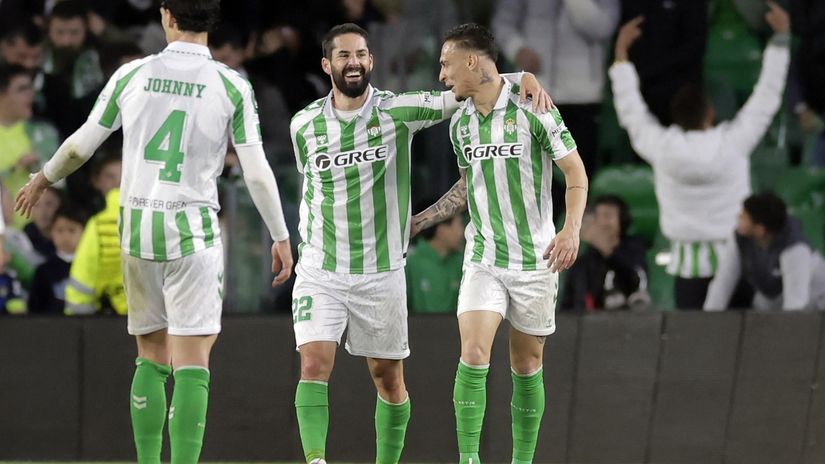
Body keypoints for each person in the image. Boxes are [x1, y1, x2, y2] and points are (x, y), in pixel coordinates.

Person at [14, 1, 294, 462]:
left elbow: (83, 143)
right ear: (212, 21)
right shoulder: (231, 85)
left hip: (138, 229)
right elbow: (257, 171)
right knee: (192, 362)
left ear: (166, 15)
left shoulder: (133, 75)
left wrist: (44, 177)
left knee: (150, 353)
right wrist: (280, 236)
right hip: (193, 232)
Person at [288, 22, 550, 464]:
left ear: (371, 61)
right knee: (313, 363)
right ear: (326, 64)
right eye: (343, 55)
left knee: (388, 381)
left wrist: (515, 77)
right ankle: (316, 461)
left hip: (381, 271)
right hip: (321, 267)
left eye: (360, 54)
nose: (353, 62)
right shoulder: (304, 125)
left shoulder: (397, 111)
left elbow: (467, 87)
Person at [411, 23, 588, 464]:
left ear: (471, 60)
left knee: (526, 366)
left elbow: (577, 175)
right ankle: (468, 458)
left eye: (446, 63)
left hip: (535, 258)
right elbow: (468, 187)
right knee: (472, 353)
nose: (442, 75)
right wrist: (422, 220)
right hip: (484, 257)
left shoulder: (533, 108)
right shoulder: (461, 125)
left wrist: (571, 230)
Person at [609, 2, 791, 309]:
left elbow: (631, 112)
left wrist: (621, 58)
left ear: (675, 117)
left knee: (695, 355)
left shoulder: (662, 147)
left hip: (687, 272)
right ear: (710, 112)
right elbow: (766, 97)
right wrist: (781, 41)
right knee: (743, 352)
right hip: (738, 266)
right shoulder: (733, 143)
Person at [705, 192, 825, 311]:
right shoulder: (740, 238)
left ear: (759, 230)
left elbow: (796, 304)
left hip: (815, 301)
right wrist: (707, 322)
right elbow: (723, 283)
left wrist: (785, 328)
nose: (738, 217)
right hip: (773, 297)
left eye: (744, 216)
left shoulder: (795, 249)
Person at [561, 194, 649, 311]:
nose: (602, 222)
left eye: (608, 216)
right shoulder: (582, 263)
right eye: (597, 217)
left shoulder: (635, 248)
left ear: (622, 220)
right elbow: (568, 305)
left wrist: (606, 248)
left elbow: (635, 281)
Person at [65, 154, 125, 316]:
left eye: (124, 174)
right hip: (158, 316)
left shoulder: (98, 224)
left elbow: (83, 277)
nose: (118, 182)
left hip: (109, 320)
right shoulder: (161, 216)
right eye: (110, 176)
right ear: (96, 180)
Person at [0, 63, 59, 228]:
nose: (31, 95)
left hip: (44, 232)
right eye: (22, 89)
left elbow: (61, 182)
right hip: (6, 236)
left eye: (31, 89)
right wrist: (15, 168)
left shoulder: (43, 133)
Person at [405, 198, 464, 313]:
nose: (462, 232)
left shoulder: (462, 262)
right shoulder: (411, 262)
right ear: (441, 230)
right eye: (458, 225)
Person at [28, 203, 85, 314]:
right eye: (59, 230)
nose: (65, 237)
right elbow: (34, 310)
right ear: (51, 233)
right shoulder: (43, 271)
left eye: (72, 230)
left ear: (84, 233)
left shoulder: (91, 267)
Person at [23, 186, 62, 258]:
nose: (43, 211)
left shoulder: (69, 232)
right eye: (36, 205)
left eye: (49, 204)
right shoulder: (26, 236)